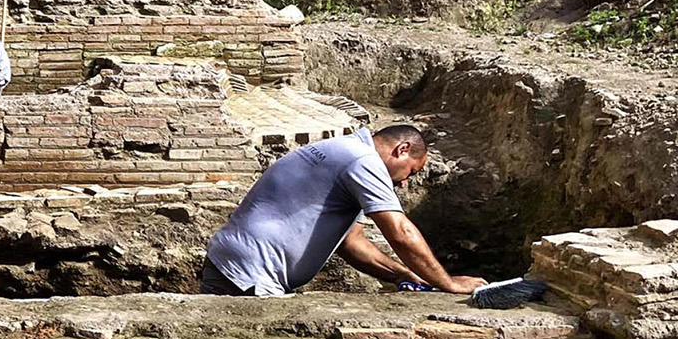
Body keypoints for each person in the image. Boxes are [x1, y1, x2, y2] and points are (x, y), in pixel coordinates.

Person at [201, 124, 482, 298]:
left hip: (236, 266)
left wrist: (401, 275)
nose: (405, 182)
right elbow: (400, 231)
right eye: (411, 171)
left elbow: (351, 242)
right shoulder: (363, 160)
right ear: (402, 149)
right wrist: (448, 283)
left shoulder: (346, 151)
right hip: (251, 274)